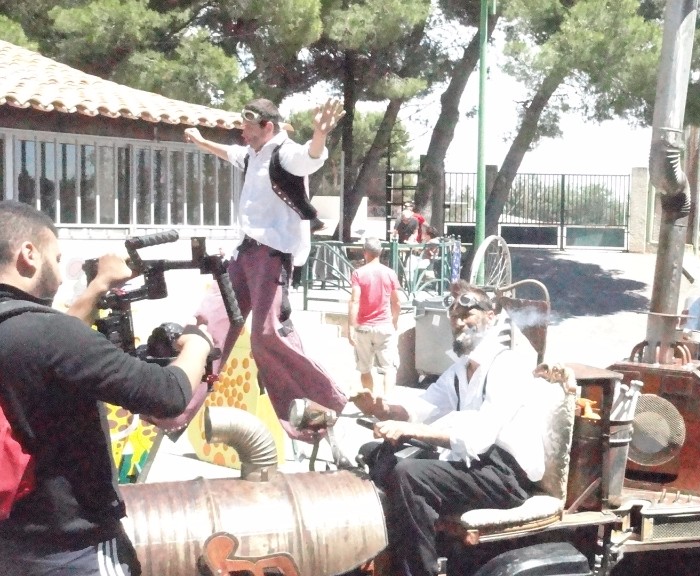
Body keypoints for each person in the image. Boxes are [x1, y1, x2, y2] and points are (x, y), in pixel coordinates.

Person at [0, 200, 213, 575]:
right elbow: (168, 395)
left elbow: (49, 342)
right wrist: (198, 343)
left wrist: (98, 286)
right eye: (56, 257)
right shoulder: (48, 335)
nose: (62, 275)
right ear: (28, 254)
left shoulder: (26, 332)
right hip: (73, 547)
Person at [180, 97, 348, 439]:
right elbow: (228, 152)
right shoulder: (251, 154)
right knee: (211, 322)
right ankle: (177, 405)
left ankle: (321, 405)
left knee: (267, 334)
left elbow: (309, 158)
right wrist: (200, 142)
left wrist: (319, 134)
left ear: (267, 127)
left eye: (248, 125)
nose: (242, 131)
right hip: (244, 253)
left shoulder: (283, 154)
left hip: (272, 254)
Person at [351, 280, 545, 576]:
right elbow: (421, 409)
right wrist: (382, 410)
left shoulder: (507, 366)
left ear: (491, 317)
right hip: (477, 467)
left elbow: (476, 440)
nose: (459, 322)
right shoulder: (459, 371)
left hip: (506, 477)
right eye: (454, 316)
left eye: (468, 314)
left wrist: (407, 430)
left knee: (409, 475)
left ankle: (417, 571)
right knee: (376, 455)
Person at [349, 237, 402, 396]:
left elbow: (354, 301)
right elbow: (397, 302)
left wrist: (351, 326)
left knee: (365, 368)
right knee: (389, 368)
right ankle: (386, 401)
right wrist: (394, 321)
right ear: (381, 252)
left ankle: (370, 399)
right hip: (384, 326)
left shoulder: (358, 273)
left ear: (364, 252)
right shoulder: (390, 273)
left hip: (363, 327)